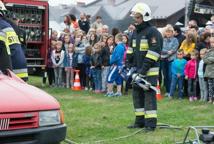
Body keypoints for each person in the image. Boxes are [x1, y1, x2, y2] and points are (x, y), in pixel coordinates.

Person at [127, 2, 163, 132]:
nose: (135, 20)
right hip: (137, 71)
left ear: (145, 17)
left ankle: (150, 124)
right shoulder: (135, 33)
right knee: (137, 95)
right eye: (134, 17)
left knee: (149, 96)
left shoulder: (152, 32)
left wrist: (143, 70)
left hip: (150, 71)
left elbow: (154, 52)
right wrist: (128, 65)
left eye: (137, 17)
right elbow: (130, 50)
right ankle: (139, 122)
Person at [0, 1, 28, 81]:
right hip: (20, 70)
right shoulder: (7, 25)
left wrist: (6, 76)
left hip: (11, 73)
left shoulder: (1, 26)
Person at [203, 37, 214, 104]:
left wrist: (209, 59)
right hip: (209, 72)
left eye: (213, 42)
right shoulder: (208, 51)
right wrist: (209, 59)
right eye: (211, 42)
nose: (212, 44)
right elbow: (204, 59)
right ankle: (210, 99)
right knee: (210, 86)